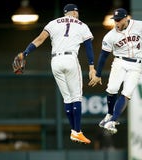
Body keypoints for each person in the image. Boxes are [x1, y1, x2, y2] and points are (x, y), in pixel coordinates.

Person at [14, 4, 96, 144]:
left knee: (67, 98)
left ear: (65, 14)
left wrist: (25, 52)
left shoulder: (53, 23)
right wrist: (91, 68)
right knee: (76, 97)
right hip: (70, 59)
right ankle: (77, 131)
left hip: (55, 61)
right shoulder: (82, 25)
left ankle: (74, 131)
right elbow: (88, 47)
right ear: (75, 13)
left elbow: (39, 39)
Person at [88, 8, 142, 134]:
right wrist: (98, 75)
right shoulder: (110, 36)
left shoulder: (139, 25)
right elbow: (103, 56)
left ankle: (112, 121)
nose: (117, 23)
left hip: (136, 64)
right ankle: (109, 114)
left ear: (126, 18)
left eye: (119, 20)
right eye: (115, 20)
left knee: (127, 93)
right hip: (120, 61)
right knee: (112, 89)